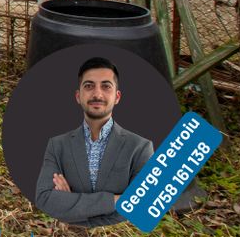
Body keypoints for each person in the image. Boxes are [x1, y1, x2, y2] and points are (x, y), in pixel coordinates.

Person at [34, 57, 154, 226]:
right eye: (89, 86)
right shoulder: (57, 145)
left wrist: (69, 206)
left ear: (117, 96)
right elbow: (44, 199)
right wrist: (116, 200)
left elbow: (140, 205)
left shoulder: (140, 147)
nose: (97, 94)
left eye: (106, 86)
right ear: (78, 95)